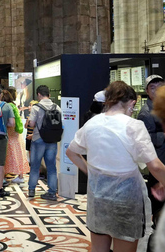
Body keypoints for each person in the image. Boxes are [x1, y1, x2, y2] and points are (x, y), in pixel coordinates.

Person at [66, 81, 165, 252]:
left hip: (98, 199)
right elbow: (155, 166)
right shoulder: (133, 126)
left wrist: (92, 172)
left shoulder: (92, 123)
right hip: (127, 201)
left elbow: (71, 152)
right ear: (132, 102)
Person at [138, 75, 165, 229]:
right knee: (157, 198)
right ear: (147, 91)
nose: (156, 90)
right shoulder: (145, 113)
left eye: (159, 86)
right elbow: (146, 139)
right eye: (152, 87)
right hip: (157, 160)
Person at [27, 85, 62, 200]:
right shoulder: (57, 107)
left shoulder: (36, 107)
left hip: (38, 139)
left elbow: (31, 124)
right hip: (52, 140)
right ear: (49, 95)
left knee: (35, 166)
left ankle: (32, 190)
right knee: (51, 167)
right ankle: (52, 192)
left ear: (39, 95)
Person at [3, 89, 29, 184]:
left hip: (10, 134)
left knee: (10, 155)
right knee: (19, 154)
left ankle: (6, 175)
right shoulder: (14, 105)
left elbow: (10, 122)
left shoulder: (7, 106)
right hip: (17, 133)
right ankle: (20, 175)